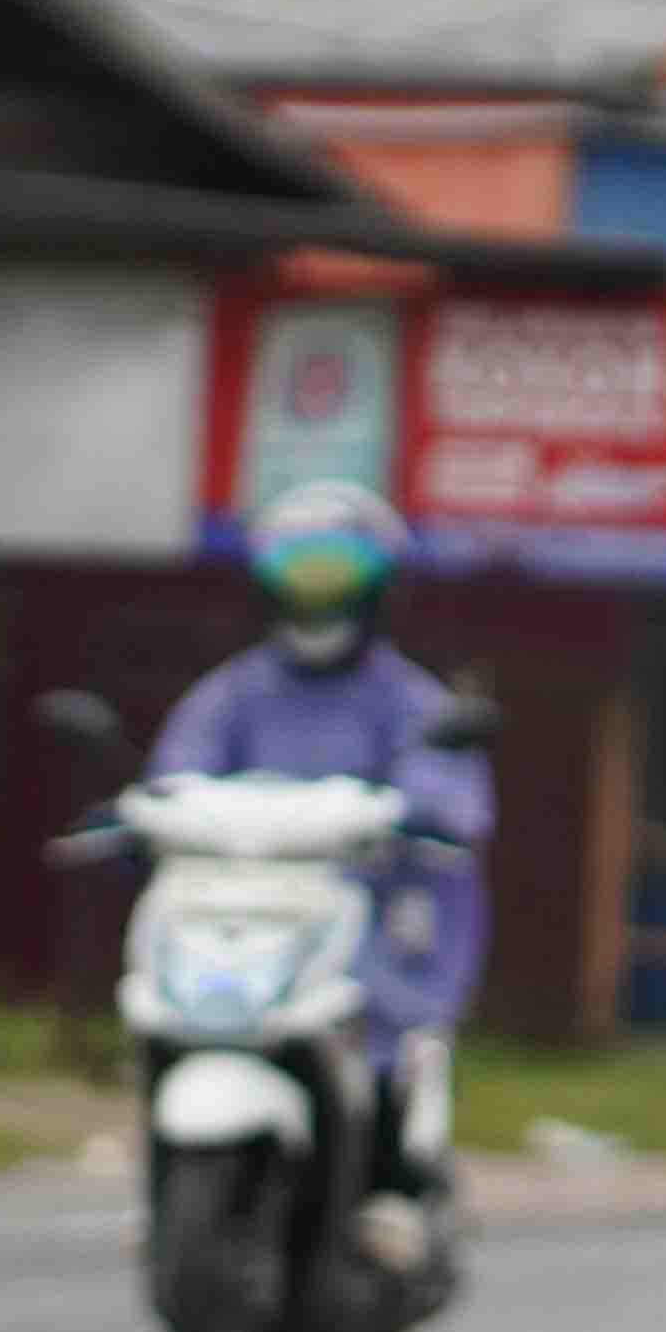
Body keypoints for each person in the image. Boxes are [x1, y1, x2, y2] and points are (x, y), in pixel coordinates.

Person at [147, 482, 493, 1259]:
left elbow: (447, 796)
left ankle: (394, 1181)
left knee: (387, 1027)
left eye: (336, 572)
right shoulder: (231, 695)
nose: (317, 594)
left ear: (380, 586)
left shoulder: (409, 701)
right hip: (251, 909)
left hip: (364, 913)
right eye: (299, 571)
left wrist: (416, 815)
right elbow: (176, 777)